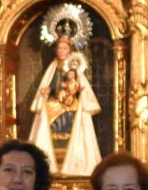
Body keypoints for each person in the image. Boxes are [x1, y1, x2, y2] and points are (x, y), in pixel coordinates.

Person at [31, 34, 102, 175]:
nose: (61, 51)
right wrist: (48, 90)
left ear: (70, 50)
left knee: (74, 109)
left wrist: (75, 91)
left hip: (72, 101)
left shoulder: (73, 68)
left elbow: (79, 85)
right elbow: (51, 84)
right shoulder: (53, 68)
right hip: (56, 100)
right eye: (59, 48)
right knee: (49, 107)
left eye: (65, 48)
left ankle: (73, 157)